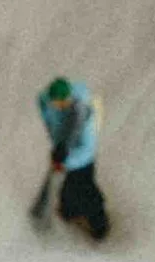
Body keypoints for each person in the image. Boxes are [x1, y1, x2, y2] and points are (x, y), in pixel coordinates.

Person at [35, 76, 110, 240]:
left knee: (85, 191)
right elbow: (44, 105)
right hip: (64, 152)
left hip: (82, 161)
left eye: (60, 103)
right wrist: (58, 148)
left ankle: (100, 225)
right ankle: (69, 212)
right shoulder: (48, 101)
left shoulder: (83, 118)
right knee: (67, 189)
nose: (55, 106)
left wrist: (65, 160)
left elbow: (86, 149)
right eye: (54, 103)